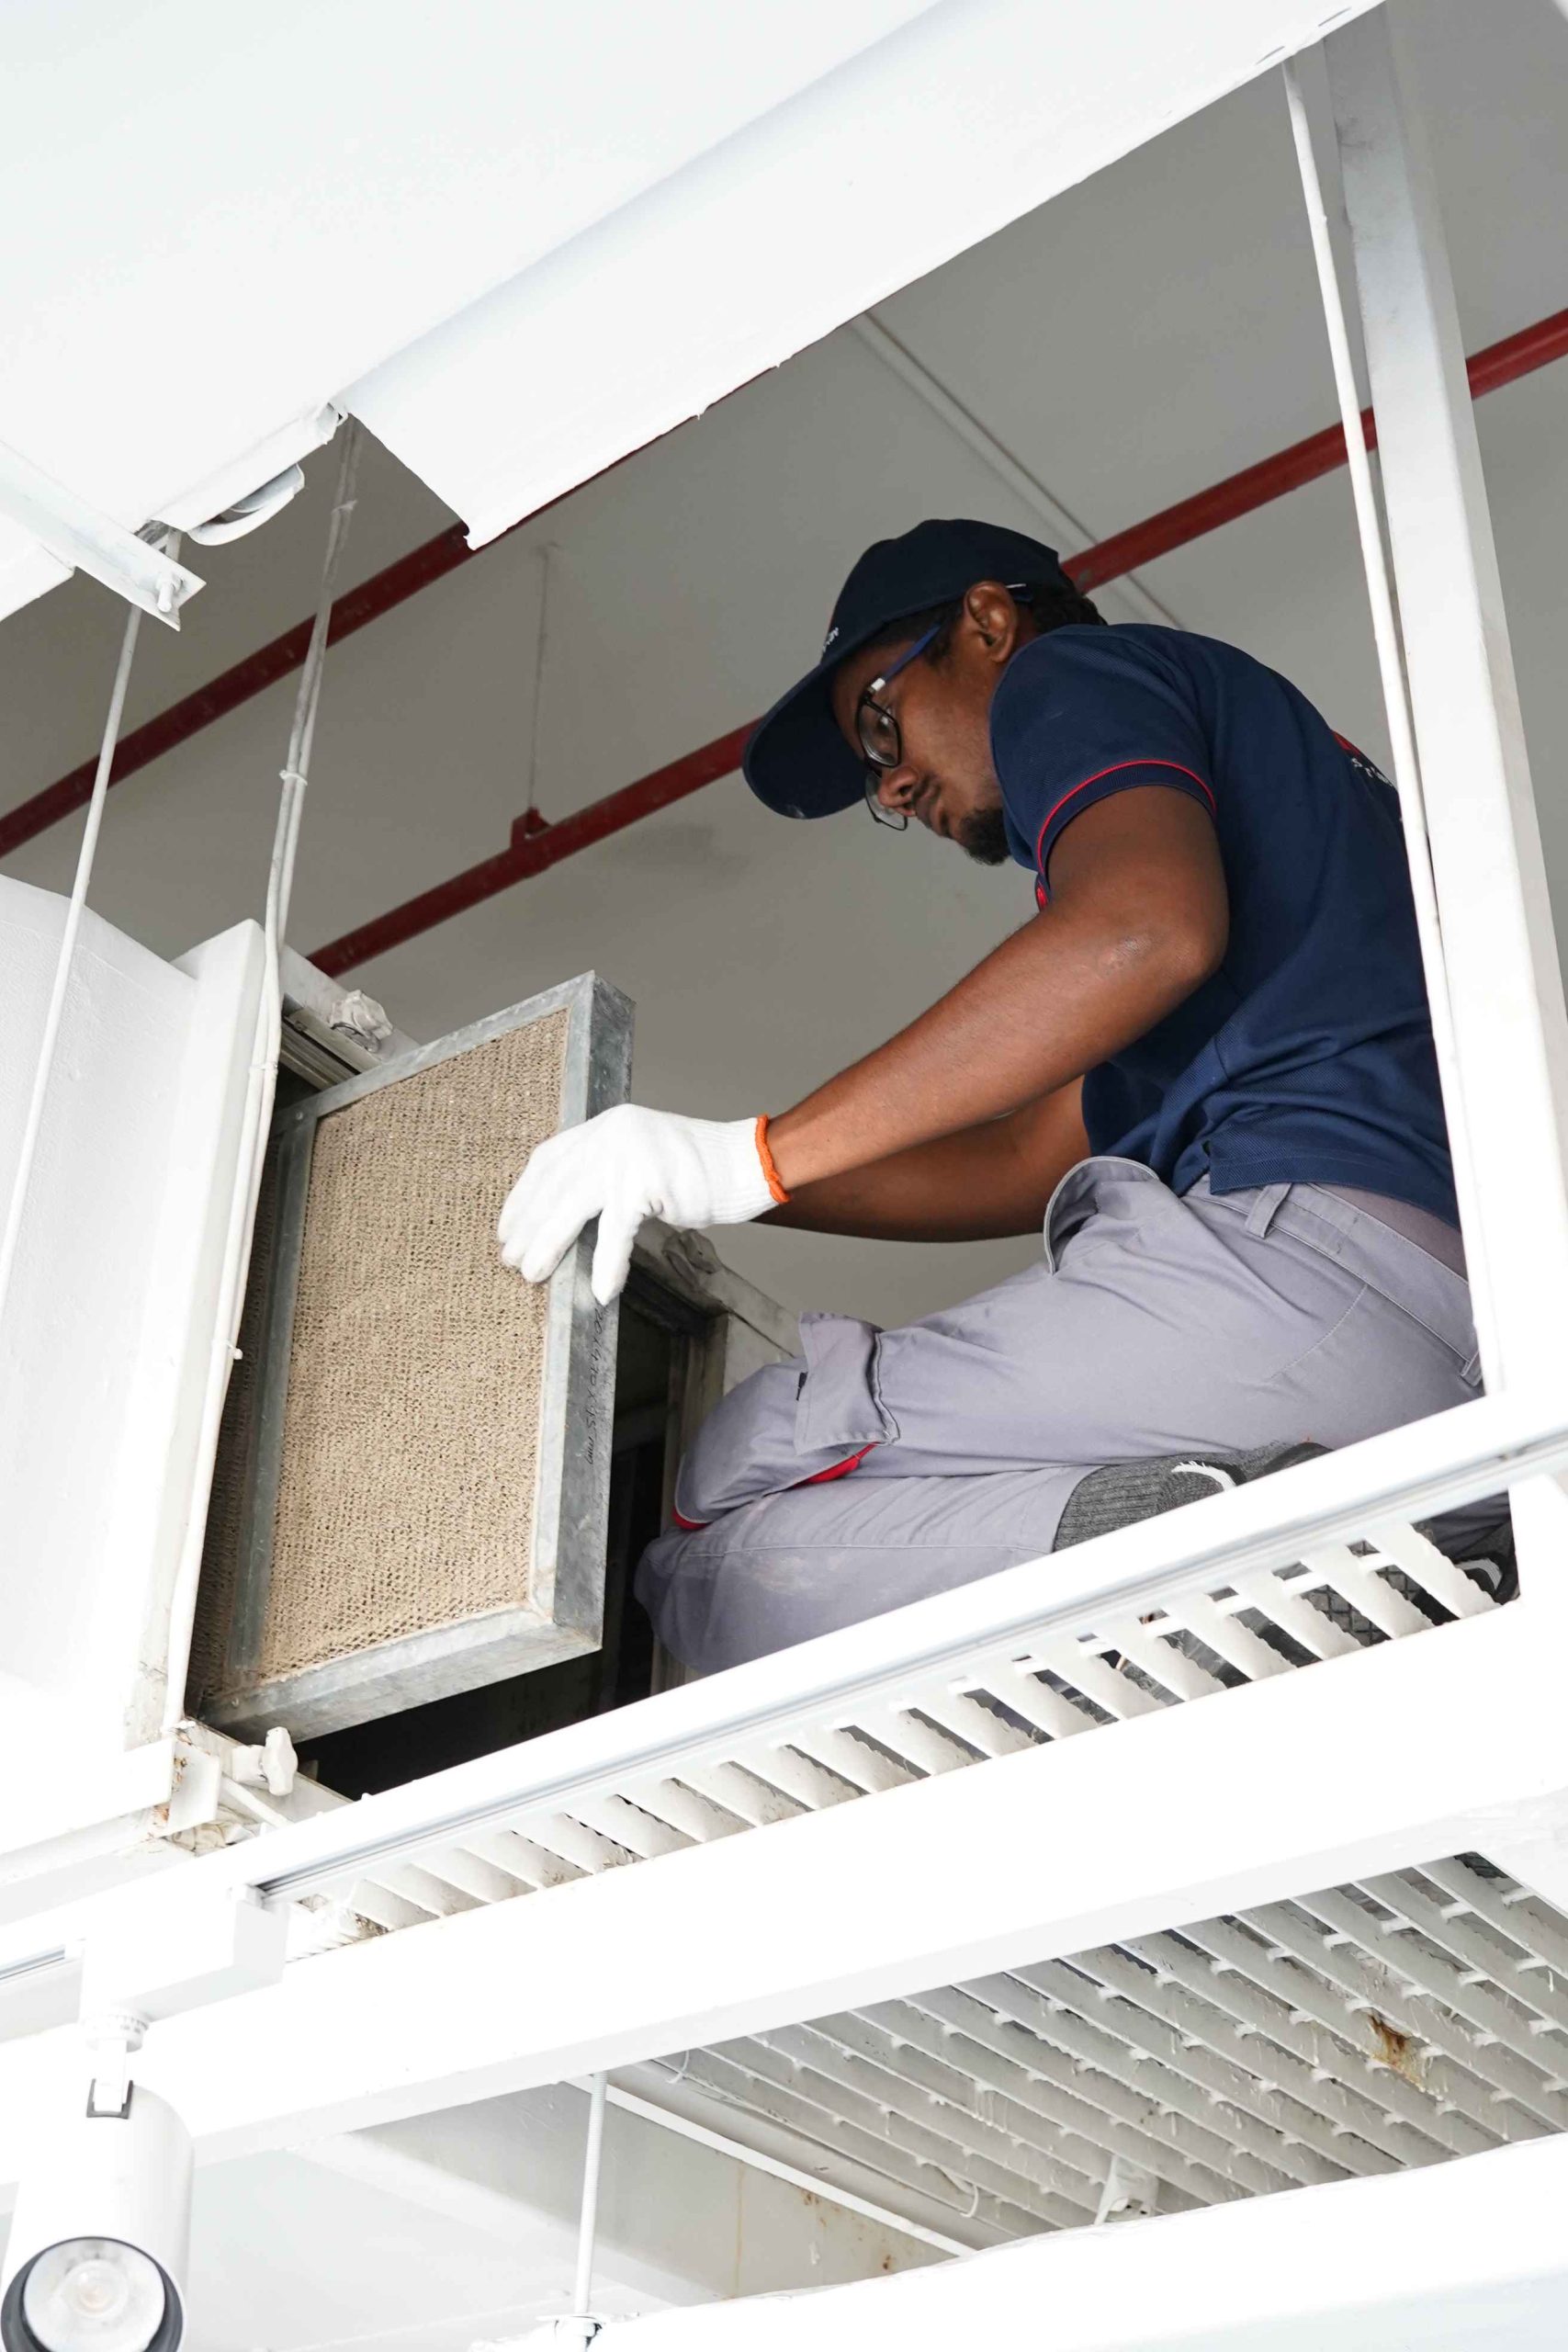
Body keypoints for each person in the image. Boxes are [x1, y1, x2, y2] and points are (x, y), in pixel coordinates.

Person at [498, 518, 1482, 1674]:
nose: (894, 780)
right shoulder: (1279, 841)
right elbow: (1023, 1155)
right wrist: (719, 1177)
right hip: (1455, 1358)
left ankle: (1186, 1543)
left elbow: (1141, 930)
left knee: (729, 1491)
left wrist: (750, 1156)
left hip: (1299, 1281)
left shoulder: (1076, 676)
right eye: (873, 773)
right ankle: (1209, 1542)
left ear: (987, 623)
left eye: (881, 721)